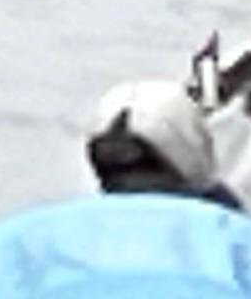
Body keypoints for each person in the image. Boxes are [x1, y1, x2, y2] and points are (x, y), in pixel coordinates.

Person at [86, 80, 240, 205]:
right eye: (111, 170)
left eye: (147, 164)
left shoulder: (230, 231)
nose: (127, 182)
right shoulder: (87, 231)